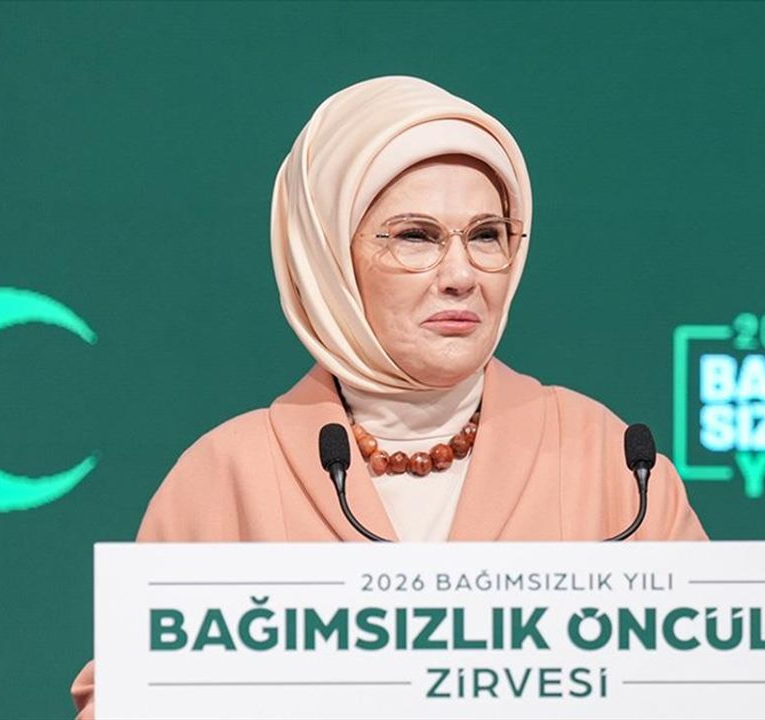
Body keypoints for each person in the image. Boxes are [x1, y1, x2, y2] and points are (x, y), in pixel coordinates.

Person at [69, 75, 707, 719]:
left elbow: (716, 682)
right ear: (328, 256)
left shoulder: (611, 462)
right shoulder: (226, 476)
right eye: (416, 236)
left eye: (486, 235)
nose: (460, 276)